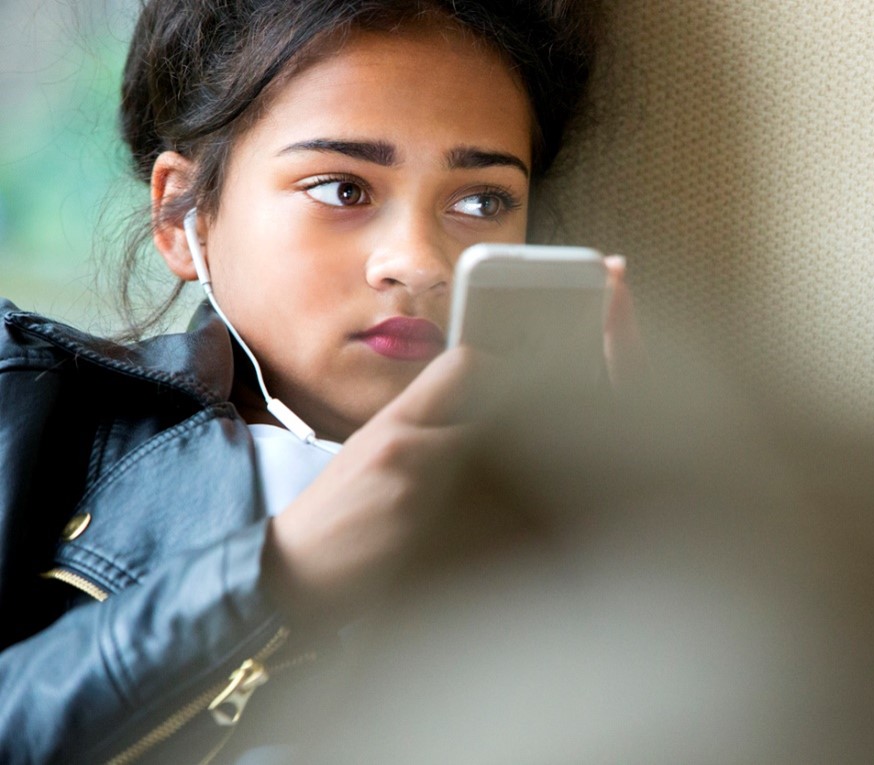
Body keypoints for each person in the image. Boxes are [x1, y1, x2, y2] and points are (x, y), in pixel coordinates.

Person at [0, 1, 636, 761]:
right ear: (182, 214)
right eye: (342, 189)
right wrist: (277, 570)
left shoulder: (573, 506)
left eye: (480, 201)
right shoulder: (36, 401)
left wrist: (638, 538)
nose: (420, 261)